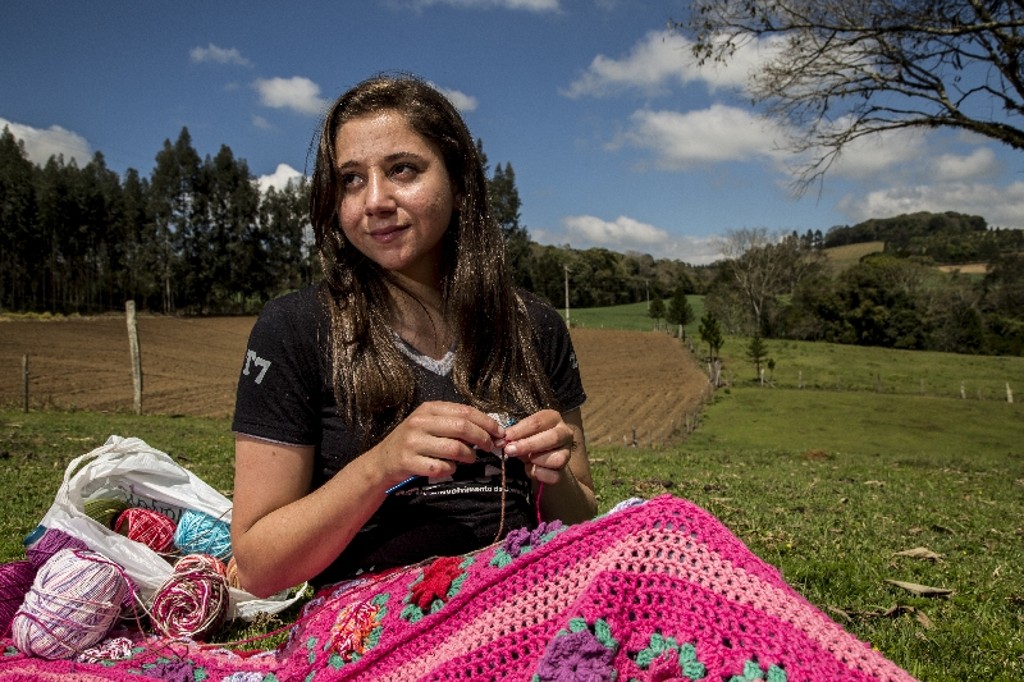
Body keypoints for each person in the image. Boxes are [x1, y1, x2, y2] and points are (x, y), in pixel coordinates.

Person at [229, 73, 598, 599]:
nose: (375, 199)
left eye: (402, 169)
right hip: (380, 624)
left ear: (460, 182)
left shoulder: (533, 327)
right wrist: (380, 466)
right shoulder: (294, 328)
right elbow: (260, 568)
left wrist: (553, 475)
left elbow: (582, 521)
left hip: (532, 594)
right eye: (352, 179)